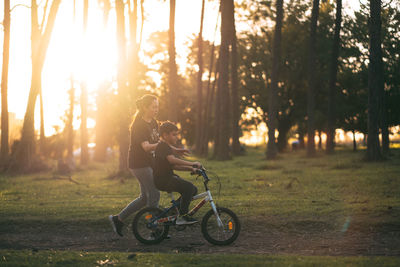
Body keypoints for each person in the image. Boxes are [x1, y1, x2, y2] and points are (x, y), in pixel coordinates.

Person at [109, 94, 188, 236]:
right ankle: (155, 228)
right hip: (138, 163)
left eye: (157, 106)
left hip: (149, 162)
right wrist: (164, 146)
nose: (156, 109)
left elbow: (159, 144)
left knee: (144, 198)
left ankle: (118, 219)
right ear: (145, 107)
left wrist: (175, 150)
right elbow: (146, 147)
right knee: (154, 193)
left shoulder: (153, 122)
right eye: (153, 107)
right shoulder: (138, 124)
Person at [153, 121, 201, 225]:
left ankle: (173, 210)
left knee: (193, 190)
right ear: (165, 135)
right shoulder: (162, 146)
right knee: (189, 188)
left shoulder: (166, 147)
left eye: (177, 134)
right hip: (163, 180)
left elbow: (175, 166)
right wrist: (192, 164)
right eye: (174, 134)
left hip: (167, 178)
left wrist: (191, 169)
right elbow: (172, 160)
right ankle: (183, 217)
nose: (176, 137)